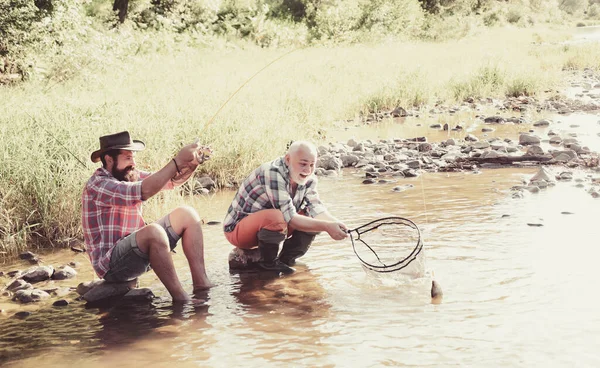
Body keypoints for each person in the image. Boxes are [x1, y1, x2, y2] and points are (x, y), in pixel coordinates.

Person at [82, 131, 212, 302]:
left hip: (136, 254)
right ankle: (181, 299)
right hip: (111, 266)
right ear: (109, 159)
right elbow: (145, 190)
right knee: (153, 232)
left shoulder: (128, 174)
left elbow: (170, 181)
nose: (133, 163)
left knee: (187, 214)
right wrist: (177, 160)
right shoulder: (98, 184)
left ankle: (202, 286)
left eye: (133, 157)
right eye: (128, 158)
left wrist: (193, 163)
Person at [223, 141, 348, 274]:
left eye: (312, 165)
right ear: (288, 159)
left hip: (269, 227)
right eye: (303, 164)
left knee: (312, 217)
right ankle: (268, 264)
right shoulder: (272, 172)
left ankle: (286, 260)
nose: (308, 170)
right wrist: (327, 227)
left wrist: (336, 224)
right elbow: (291, 219)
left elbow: (316, 208)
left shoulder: (309, 178)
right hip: (237, 230)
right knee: (277, 217)